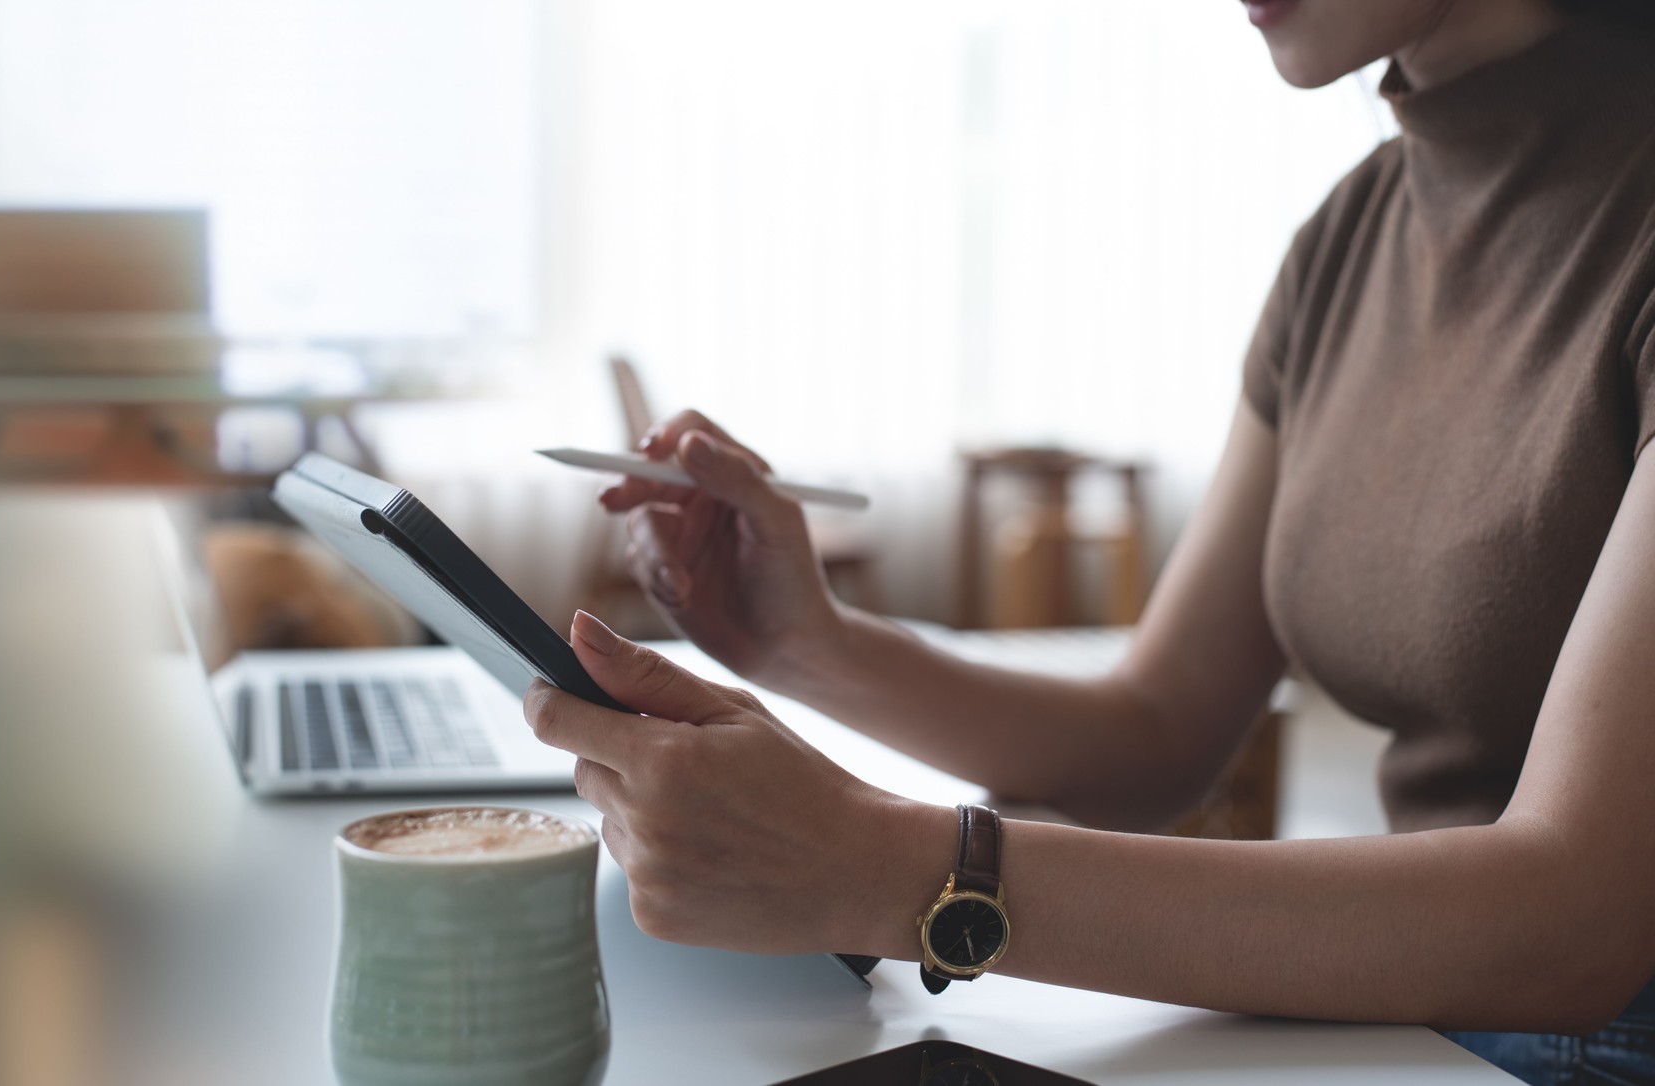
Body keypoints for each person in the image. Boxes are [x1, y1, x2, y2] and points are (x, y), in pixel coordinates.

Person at [522, 1, 1655, 1082]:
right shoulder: (1351, 238)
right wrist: (800, 643)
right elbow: (1158, 732)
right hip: (1422, 1025)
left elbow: (1572, 926)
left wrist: (884, 868)